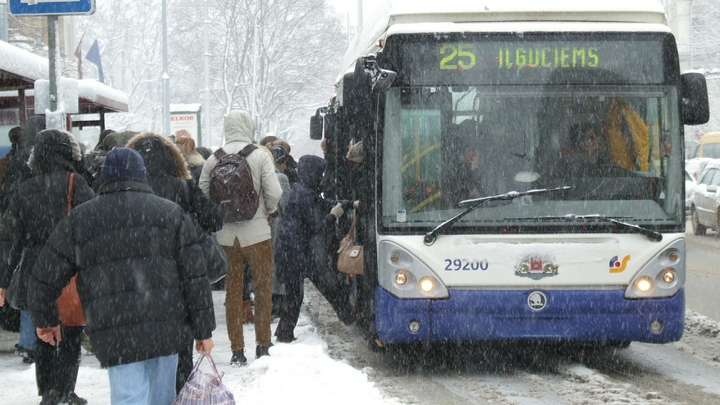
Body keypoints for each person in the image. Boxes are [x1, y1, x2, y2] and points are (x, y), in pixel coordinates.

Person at [27, 147, 215, 405]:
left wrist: (46, 319)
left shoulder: (82, 218)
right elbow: (195, 277)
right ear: (142, 175)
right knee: (162, 397)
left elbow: (44, 276)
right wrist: (203, 330)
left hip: (115, 330)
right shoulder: (171, 214)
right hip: (167, 327)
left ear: (105, 176)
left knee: (128, 397)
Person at [0, 129, 95, 405]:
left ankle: (48, 391)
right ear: (69, 152)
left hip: (35, 268)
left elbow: (10, 240)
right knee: (70, 331)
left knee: (44, 330)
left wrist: (3, 280)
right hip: (68, 268)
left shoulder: (25, 189)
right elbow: (92, 226)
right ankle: (64, 389)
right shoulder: (75, 183)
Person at [126, 132, 224, 394]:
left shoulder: (125, 191)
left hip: (133, 284)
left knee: (137, 363)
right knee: (178, 358)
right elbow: (215, 219)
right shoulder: (182, 186)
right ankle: (177, 394)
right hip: (176, 283)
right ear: (173, 159)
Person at [199, 110, 282, 365]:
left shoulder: (214, 159)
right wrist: (267, 213)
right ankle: (263, 345)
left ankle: (237, 351)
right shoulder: (259, 155)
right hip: (257, 234)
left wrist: (218, 218)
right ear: (248, 126)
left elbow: (202, 194)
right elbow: (275, 191)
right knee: (263, 288)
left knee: (232, 292)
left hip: (225, 237)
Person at [274, 155, 362, 342]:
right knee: (299, 294)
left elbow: (323, 204)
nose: (322, 178)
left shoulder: (302, 190)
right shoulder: (304, 195)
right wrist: (333, 216)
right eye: (320, 174)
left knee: (319, 285)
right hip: (295, 253)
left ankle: (285, 332)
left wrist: (347, 205)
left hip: (294, 251)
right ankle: (284, 335)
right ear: (312, 174)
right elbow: (317, 227)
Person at [0, 115, 45, 364]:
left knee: (26, 287)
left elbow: (7, 194)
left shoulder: (17, 160)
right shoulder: (46, 158)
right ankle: (43, 340)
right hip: (44, 234)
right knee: (46, 288)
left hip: (24, 232)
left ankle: (28, 341)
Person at [268, 145, 291, 318]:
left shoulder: (261, 174)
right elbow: (286, 204)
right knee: (277, 263)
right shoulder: (281, 178)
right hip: (276, 224)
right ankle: (277, 301)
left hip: (261, 224)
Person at [443, 120, 483, 205]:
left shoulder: (485, 169)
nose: (472, 156)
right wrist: (471, 194)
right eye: (469, 151)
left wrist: (475, 169)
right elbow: (456, 200)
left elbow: (487, 198)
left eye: (474, 152)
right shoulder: (454, 171)